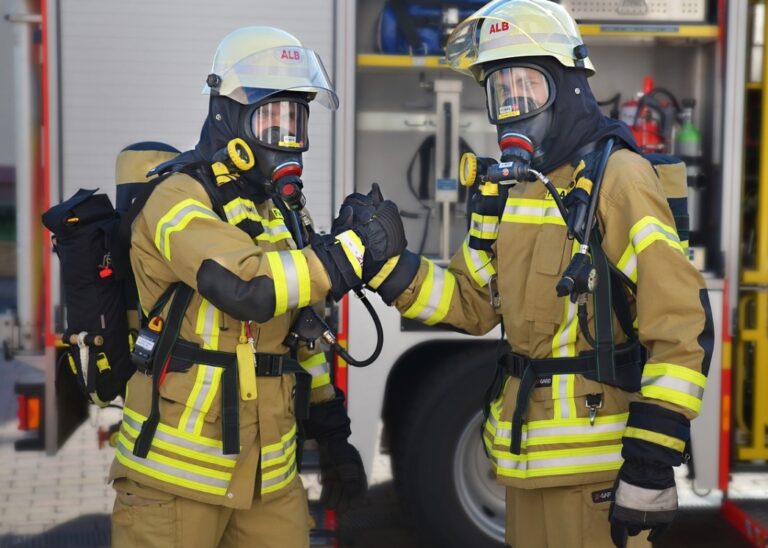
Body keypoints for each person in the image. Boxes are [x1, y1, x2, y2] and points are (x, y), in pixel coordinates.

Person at [337, 1, 713, 547]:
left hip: (596, 476)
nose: (513, 107)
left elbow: (680, 324)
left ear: (568, 85)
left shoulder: (620, 179)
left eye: (527, 87)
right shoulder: (511, 188)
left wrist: (650, 462)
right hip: (523, 465)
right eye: (500, 91)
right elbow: (474, 303)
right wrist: (390, 268)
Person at [109, 26, 406, 548]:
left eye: (295, 120)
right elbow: (246, 288)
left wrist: (333, 438)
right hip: (177, 479)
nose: (286, 138)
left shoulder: (278, 213)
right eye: (271, 119)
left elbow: (301, 338)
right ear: (228, 117)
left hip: (269, 480)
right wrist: (352, 251)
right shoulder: (177, 197)